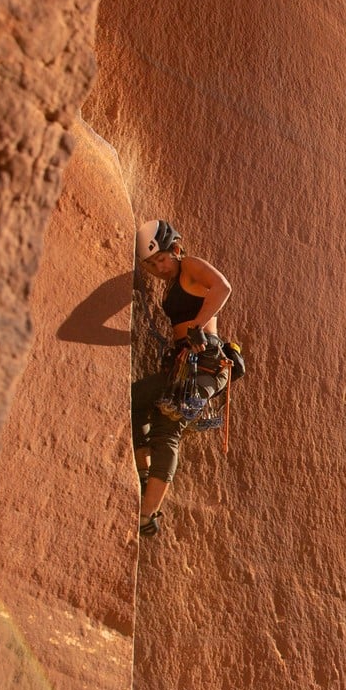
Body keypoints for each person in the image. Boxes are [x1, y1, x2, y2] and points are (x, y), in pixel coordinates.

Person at [132, 219, 232, 536]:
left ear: (175, 249)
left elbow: (222, 287)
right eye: (150, 264)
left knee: (169, 426)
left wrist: (197, 326)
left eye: (161, 258)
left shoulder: (189, 265)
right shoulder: (174, 281)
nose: (158, 267)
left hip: (205, 363)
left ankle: (148, 514)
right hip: (185, 361)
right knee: (136, 399)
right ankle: (145, 475)